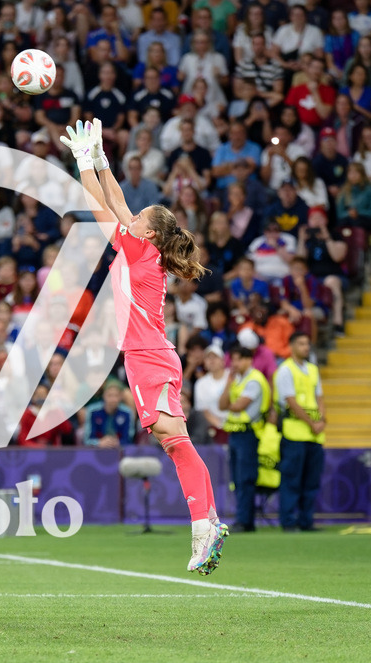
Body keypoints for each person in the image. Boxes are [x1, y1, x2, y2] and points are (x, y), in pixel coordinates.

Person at [61, 118, 227, 574]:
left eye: (138, 220)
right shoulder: (142, 247)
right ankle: (208, 518)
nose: (130, 219)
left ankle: (203, 524)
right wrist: (101, 160)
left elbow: (99, 208)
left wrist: (82, 164)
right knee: (174, 440)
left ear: (148, 233)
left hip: (149, 355)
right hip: (149, 353)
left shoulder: (137, 249)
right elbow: (116, 202)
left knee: (173, 439)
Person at [274, 332, 326, 532]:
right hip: (294, 433)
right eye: (301, 343)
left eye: (307, 343)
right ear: (292, 346)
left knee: (311, 481)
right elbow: (291, 401)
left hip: (314, 435)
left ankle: (306, 521)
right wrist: (313, 423)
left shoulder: (313, 369)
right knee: (292, 479)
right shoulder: (285, 370)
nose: (306, 347)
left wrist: (321, 420)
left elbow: (320, 397)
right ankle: (288, 521)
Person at [219, 343, 271, 533]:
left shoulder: (254, 380)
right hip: (236, 434)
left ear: (249, 360)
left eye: (239, 359)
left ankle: (245, 520)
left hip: (249, 434)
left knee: (246, 478)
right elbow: (222, 404)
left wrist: (229, 402)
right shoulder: (237, 379)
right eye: (233, 359)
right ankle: (244, 519)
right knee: (238, 479)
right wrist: (228, 383)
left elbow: (237, 406)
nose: (235, 363)